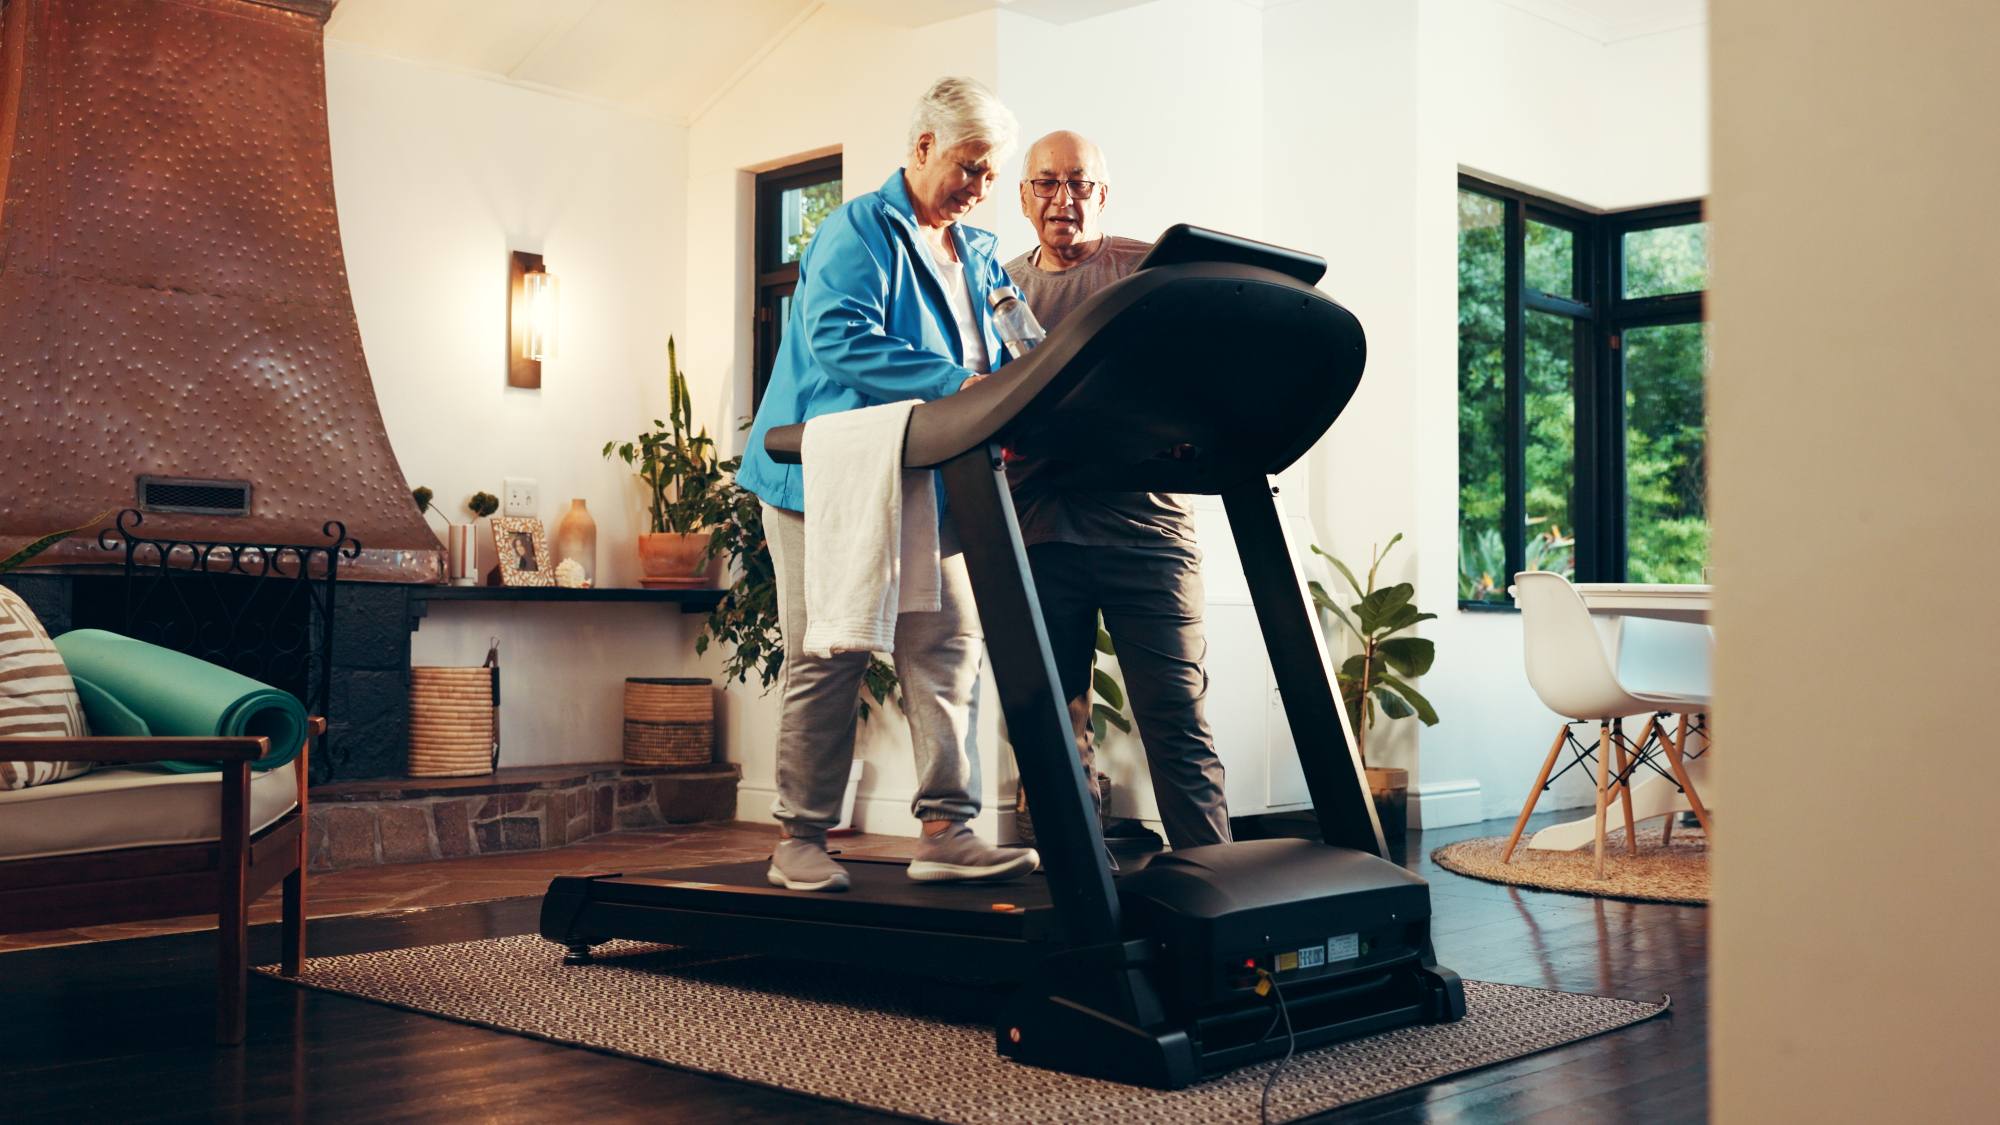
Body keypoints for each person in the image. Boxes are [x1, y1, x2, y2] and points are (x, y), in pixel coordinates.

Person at [737, 77, 1040, 893]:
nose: (979, 188)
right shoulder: (854, 232)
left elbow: (1019, 340)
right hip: (823, 477)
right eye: (969, 167)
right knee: (828, 650)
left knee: (946, 648)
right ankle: (798, 836)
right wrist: (960, 386)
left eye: (989, 173)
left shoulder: (976, 252)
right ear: (921, 149)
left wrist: (1037, 378)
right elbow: (838, 340)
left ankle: (946, 827)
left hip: (933, 476)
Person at [1001, 130, 1232, 851]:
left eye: (1079, 184)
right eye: (1046, 183)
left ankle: (1216, 891)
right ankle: (1076, 889)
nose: (1063, 199)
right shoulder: (998, 285)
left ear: (1102, 193)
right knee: (1052, 733)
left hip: (1148, 538)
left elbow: (1205, 380)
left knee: (1178, 727)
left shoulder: (1146, 271)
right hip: (1040, 528)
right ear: (1024, 194)